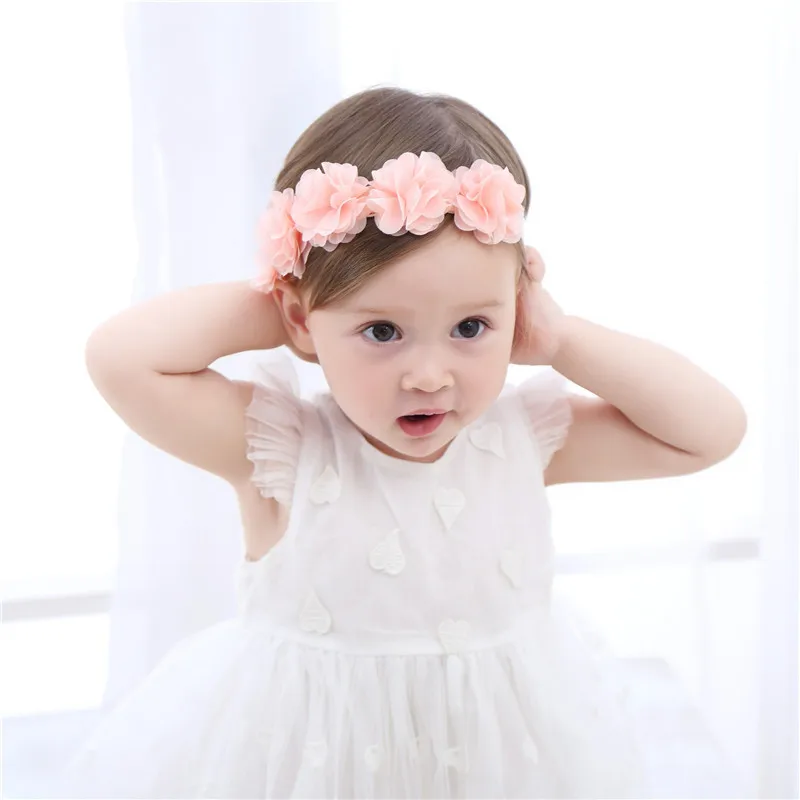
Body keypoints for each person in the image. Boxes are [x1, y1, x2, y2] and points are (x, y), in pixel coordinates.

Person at [59, 87, 747, 799]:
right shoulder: (279, 451)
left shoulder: (519, 440)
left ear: (516, 309)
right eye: (382, 330)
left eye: (471, 327)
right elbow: (121, 358)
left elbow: (709, 432)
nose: (428, 375)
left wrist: (561, 339)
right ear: (301, 319)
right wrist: (292, 308)